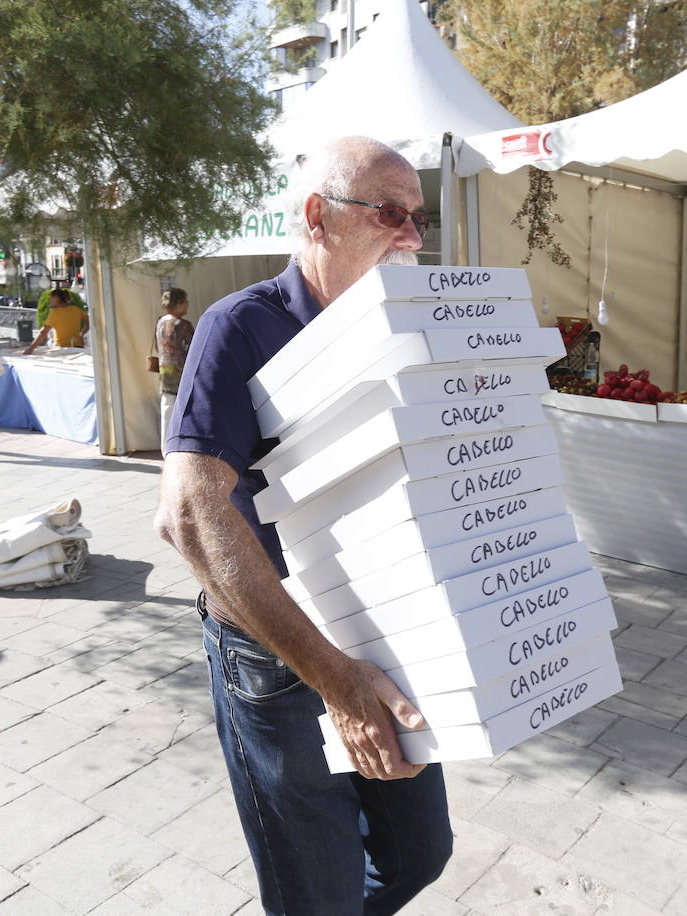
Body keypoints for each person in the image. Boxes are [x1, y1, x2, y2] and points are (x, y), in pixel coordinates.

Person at [154, 136, 449, 915]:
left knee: (421, 854)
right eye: (391, 213)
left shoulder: (397, 323)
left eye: (420, 219)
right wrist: (333, 680)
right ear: (318, 216)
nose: (413, 238)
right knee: (316, 890)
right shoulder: (238, 326)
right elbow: (187, 513)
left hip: (379, 633)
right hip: (277, 655)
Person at [154, 287, 194, 451]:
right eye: (185, 302)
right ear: (179, 303)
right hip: (183, 373)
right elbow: (193, 349)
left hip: (165, 372)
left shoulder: (160, 322)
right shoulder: (183, 325)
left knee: (167, 412)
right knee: (185, 411)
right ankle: (182, 447)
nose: (187, 306)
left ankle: (166, 449)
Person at [23, 288, 88, 353]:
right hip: (79, 348)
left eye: (50, 298)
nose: (49, 301)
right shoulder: (76, 309)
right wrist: (82, 332)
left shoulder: (55, 312)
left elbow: (43, 332)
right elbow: (89, 320)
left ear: (56, 297)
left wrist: (31, 348)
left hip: (62, 349)